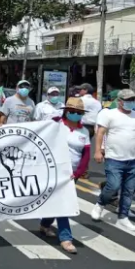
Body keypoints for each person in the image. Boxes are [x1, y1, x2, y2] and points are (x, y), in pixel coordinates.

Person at [38, 97, 90, 254]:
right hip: (53, 170)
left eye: (78, 112)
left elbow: (86, 154)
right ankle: (66, 238)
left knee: (57, 201)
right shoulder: (55, 124)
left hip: (71, 174)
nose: (75, 114)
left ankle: (45, 224)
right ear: (66, 111)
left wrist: (79, 172)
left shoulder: (84, 131)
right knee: (63, 204)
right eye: (72, 111)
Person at [91, 89, 135, 231]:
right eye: (127, 100)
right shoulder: (109, 114)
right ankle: (100, 204)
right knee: (113, 186)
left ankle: (123, 217)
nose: (130, 103)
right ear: (120, 101)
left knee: (128, 191)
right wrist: (98, 151)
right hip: (114, 158)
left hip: (132, 160)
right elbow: (100, 133)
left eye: (132, 100)